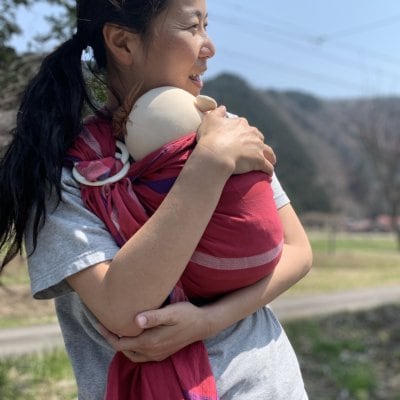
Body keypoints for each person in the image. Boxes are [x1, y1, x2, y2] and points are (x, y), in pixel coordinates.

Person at [0, 1, 313, 399]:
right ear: (122, 43)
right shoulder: (65, 173)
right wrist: (208, 165)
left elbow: (297, 250)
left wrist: (207, 321)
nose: (209, 46)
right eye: (192, 27)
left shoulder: (224, 130)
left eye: (207, 25)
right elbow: (123, 309)